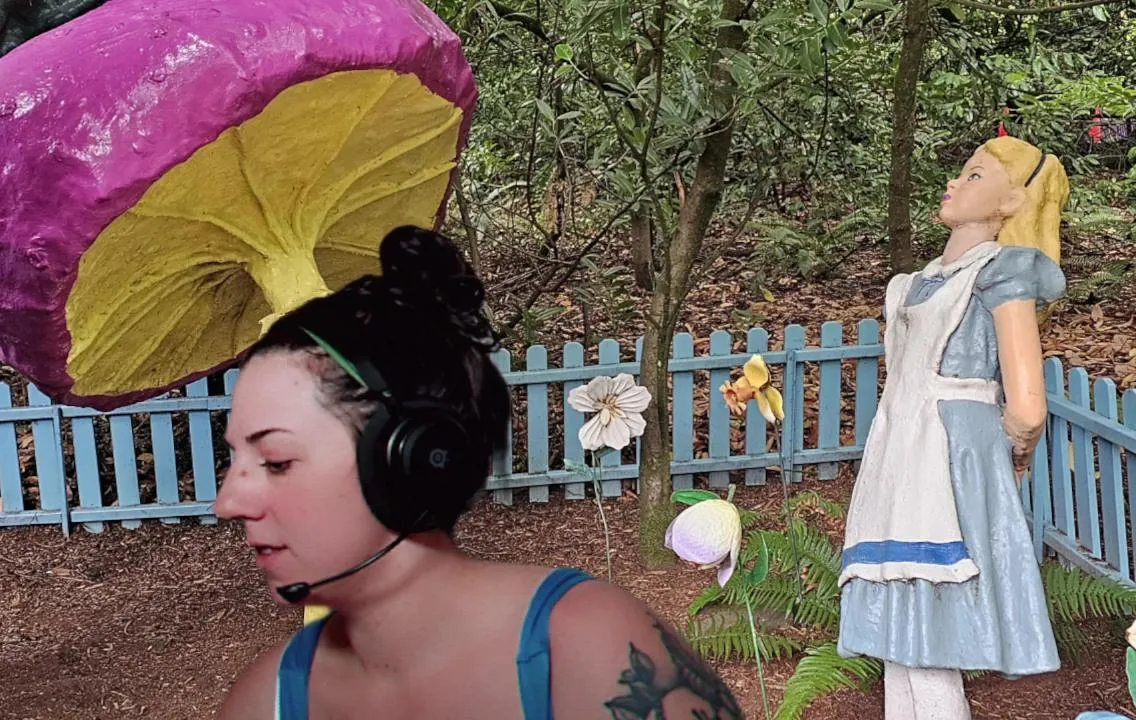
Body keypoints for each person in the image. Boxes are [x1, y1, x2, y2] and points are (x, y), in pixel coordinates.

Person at [213, 226, 743, 719]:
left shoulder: (591, 653)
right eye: (234, 458)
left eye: (276, 461)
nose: (228, 503)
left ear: (410, 456)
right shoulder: (264, 702)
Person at [838, 135, 1068, 719]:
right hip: (905, 455)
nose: (954, 183)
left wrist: (1008, 453)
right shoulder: (912, 284)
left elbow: (1028, 406)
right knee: (901, 633)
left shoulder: (1001, 273)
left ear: (1011, 202)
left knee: (930, 634)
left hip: (944, 457)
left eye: (974, 175)